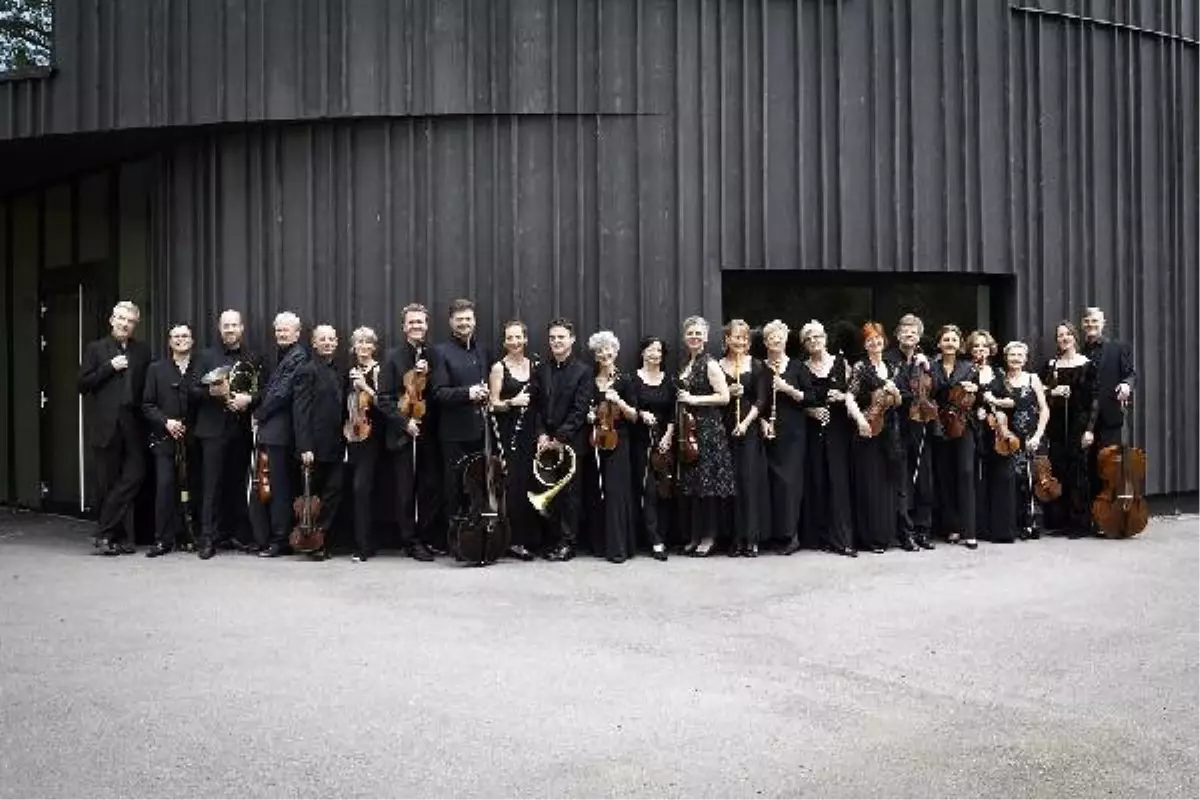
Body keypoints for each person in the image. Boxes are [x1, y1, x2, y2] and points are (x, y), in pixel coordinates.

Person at [77, 300, 151, 555]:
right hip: (107, 423)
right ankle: (115, 538)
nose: (125, 324)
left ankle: (104, 532)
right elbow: (83, 384)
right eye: (121, 319)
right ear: (111, 320)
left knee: (135, 474)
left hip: (133, 421)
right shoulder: (96, 348)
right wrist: (109, 367)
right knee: (108, 482)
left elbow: (147, 386)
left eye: (130, 321)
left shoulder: (142, 351)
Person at [190, 309, 262, 559]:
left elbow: (261, 390)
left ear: (242, 327)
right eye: (226, 325)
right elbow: (192, 389)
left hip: (240, 430)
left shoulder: (253, 356)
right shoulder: (205, 355)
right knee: (211, 486)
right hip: (212, 430)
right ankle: (207, 538)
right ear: (219, 328)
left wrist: (248, 399)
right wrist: (212, 393)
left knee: (236, 485)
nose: (230, 329)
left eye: (234, 325)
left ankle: (235, 535)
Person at [375, 303, 438, 562]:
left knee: (430, 486)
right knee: (405, 489)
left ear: (426, 325)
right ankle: (410, 540)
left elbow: (439, 391)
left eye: (420, 322)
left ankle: (425, 535)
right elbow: (383, 399)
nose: (416, 326)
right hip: (404, 432)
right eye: (411, 322)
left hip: (430, 432)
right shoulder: (393, 357)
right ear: (404, 326)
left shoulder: (434, 355)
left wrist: (428, 377)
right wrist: (404, 422)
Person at [431, 298, 491, 550]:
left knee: (477, 488)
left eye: (468, 318)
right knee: (454, 488)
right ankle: (454, 541)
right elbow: (438, 393)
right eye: (459, 319)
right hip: (454, 434)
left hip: (480, 431)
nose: (464, 323)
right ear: (451, 322)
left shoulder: (482, 350)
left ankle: (475, 537)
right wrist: (469, 393)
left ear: (474, 321)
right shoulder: (441, 351)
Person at [675, 316, 735, 557]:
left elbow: (724, 397)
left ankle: (709, 537)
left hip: (708, 429)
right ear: (684, 337)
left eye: (699, 333)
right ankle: (695, 535)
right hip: (689, 430)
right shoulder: (685, 364)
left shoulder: (710, 364)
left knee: (708, 486)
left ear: (706, 338)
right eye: (690, 333)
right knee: (693, 485)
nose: (694, 337)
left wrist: (694, 400)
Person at [533, 318, 592, 561]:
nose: (556, 341)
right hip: (546, 444)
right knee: (549, 495)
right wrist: (541, 434)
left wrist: (559, 437)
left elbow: (580, 410)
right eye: (553, 338)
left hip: (570, 445)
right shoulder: (542, 369)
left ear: (572, 339)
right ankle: (552, 540)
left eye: (561, 337)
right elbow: (536, 406)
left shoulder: (583, 371)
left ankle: (568, 543)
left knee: (570, 496)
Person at [253, 311, 309, 557]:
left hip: (281, 433)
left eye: (286, 330)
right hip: (273, 433)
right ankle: (270, 536)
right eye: (278, 330)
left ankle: (280, 540)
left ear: (297, 333)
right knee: (271, 487)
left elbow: (281, 393)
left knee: (280, 488)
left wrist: (258, 413)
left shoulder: (298, 357)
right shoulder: (278, 356)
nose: (281, 333)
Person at [798, 320, 856, 557]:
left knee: (838, 481)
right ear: (804, 344)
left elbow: (856, 394)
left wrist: (843, 396)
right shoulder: (801, 368)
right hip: (813, 430)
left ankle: (842, 539)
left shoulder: (842, 364)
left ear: (825, 338)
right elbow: (795, 402)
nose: (814, 341)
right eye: (809, 338)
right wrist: (809, 411)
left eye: (817, 336)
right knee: (817, 480)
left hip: (839, 429)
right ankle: (819, 537)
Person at [141, 323, 198, 557]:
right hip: (164, 438)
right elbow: (147, 405)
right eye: (176, 336)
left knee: (193, 487)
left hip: (194, 439)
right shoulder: (156, 369)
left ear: (192, 341)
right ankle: (163, 539)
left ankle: (190, 536)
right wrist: (167, 422)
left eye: (185, 336)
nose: (180, 340)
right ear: (169, 341)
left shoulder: (199, 367)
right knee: (165, 487)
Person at [847, 322, 905, 553]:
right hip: (867, 427)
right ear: (865, 344)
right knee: (869, 482)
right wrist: (860, 419)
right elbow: (849, 397)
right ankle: (870, 539)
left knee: (888, 482)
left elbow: (898, 403)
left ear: (884, 340)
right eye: (869, 339)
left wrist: (896, 391)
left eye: (878, 338)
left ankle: (886, 535)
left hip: (889, 429)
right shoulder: (861, 367)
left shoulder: (893, 367)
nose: (874, 342)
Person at [583, 331, 639, 563]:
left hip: (619, 440)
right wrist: (590, 416)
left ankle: (618, 548)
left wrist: (620, 402)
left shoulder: (625, 380)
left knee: (616, 494)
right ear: (595, 356)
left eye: (608, 350)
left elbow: (634, 416)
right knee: (597, 492)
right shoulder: (591, 381)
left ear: (615, 352)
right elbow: (590, 409)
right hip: (597, 439)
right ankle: (600, 545)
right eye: (599, 351)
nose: (604, 354)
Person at [1040, 321, 1098, 538]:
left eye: (1067, 334)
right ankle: (1062, 521)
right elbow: (1040, 390)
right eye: (1060, 335)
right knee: (1059, 470)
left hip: (1079, 424)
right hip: (1056, 424)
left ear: (1074, 337)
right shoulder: (1052, 364)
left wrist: (1090, 429)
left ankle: (1080, 523)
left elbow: (1095, 399)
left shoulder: (1087, 364)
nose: (1064, 338)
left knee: (1078, 473)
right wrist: (1054, 390)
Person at [718, 319, 770, 557]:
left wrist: (746, 423)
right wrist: (728, 393)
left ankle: (752, 537)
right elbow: (715, 397)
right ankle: (735, 537)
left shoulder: (757, 366)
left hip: (747, 426)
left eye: (744, 338)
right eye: (736, 337)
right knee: (731, 482)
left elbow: (761, 400)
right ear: (727, 339)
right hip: (725, 427)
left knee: (749, 481)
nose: (740, 341)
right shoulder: (718, 366)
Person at [293, 324, 345, 561]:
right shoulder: (307, 370)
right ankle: (311, 542)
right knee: (312, 498)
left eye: (331, 339)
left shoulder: (339, 370)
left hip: (337, 445)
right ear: (314, 343)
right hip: (314, 447)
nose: (327, 342)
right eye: (322, 339)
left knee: (333, 492)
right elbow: (300, 411)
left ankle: (320, 536)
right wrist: (305, 447)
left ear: (337, 342)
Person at [488, 320, 539, 561]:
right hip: (510, 434)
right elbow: (492, 404)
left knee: (532, 483)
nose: (514, 342)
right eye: (510, 338)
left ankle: (531, 538)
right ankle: (514, 540)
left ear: (525, 339)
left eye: (518, 337)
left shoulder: (535, 366)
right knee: (514, 486)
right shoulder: (499, 368)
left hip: (531, 432)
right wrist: (511, 403)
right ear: (504, 341)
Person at [884, 314, 936, 550]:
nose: (909, 334)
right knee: (902, 481)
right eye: (905, 330)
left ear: (919, 336)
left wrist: (928, 368)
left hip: (922, 425)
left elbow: (937, 388)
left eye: (914, 331)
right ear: (897, 335)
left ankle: (923, 530)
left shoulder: (926, 361)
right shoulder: (888, 360)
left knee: (924, 479)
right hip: (897, 425)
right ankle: (905, 531)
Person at [760, 320, 807, 555]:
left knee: (790, 484)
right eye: (771, 337)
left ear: (786, 339)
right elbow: (755, 400)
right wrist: (762, 421)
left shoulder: (797, 367)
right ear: (766, 342)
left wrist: (785, 387)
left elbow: (808, 398)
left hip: (793, 432)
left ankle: (791, 535)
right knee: (771, 483)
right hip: (768, 430)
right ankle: (773, 534)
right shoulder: (761, 368)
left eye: (779, 337)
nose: (776, 341)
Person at [1080, 306, 1137, 503]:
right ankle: (1094, 516)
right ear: (1082, 324)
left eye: (1095, 321)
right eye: (1087, 321)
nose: (1091, 325)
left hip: (1110, 418)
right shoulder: (1078, 351)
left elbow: (1130, 374)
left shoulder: (1118, 348)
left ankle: (1110, 514)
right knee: (1088, 469)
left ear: (1103, 323)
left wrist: (1126, 385)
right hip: (1084, 419)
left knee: (1108, 467)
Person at [930, 324, 978, 549]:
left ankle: (970, 530)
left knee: (966, 473)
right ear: (939, 343)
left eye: (954, 339)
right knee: (945, 475)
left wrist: (973, 390)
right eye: (946, 339)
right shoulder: (930, 366)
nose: (950, 343)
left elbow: (978, 397)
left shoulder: (969, 367)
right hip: (939, 424)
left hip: (962, 424)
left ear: (960, 344)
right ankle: (952, 527)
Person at [998, 341, 1050, 540]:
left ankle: (1034, 523)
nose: (1016, 358)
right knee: (1018, 479)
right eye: (1012, 354)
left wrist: (1038, 435)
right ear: (1006, 357)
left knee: (1036, 479)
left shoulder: (1032, 378)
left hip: (1032, 436)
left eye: (1020, 355)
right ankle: (1019, 523)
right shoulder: (1001, 380)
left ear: (1026, 359)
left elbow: (1044, 409)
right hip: (1012, 439)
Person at [629, 336, 675, 560]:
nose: (654, 354)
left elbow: (674, 413)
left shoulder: (669, 380)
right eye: (650, 349)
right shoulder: (633, 380)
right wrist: (640, 414)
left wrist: (668, 435)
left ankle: (664, 536)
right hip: (642, 443)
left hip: (664, 443)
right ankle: (654, 539)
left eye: (658, 350)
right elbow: (631, 406)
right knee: (648, 491)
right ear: (642, 353)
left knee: (664, 491)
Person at [969, 329, 1015, 544]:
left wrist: (994, 402)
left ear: (990, 349)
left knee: (1003, 476)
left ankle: (1002, 529)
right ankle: (980, 528)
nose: (980, 350)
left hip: (997, 428)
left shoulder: (998, 373)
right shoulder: (967, 370)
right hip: (975, 428)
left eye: (984, 346)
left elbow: (1011, 400)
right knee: (979, 477)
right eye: (976, 346)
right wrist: (975, 409)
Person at [344, 327, 384, 562]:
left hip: (372, 436)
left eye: (367, 343)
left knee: (362, 489)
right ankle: (362, 541)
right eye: (359, 342)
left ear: (373, 347)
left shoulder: (377, 370)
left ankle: (365, 546)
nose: (363, 346)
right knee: (356, 491)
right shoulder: (351, 371)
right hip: (354, 434)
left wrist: (364, 386)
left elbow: (385, 402)